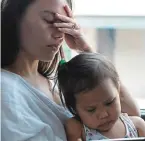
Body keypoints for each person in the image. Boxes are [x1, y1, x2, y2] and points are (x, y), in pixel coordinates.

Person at [1, 0, 140, 140]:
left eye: (64, 23)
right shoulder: (6, 91)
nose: (59, 33)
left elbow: (131, 115)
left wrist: (88, 53)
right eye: (49, 20)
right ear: (16, 20)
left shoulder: (56, 82)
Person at [57, 53, 145, 141]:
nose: (104, 115)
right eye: (91, 109)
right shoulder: (77, 129)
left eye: (109, 102)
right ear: (75, 109)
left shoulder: (137, 126)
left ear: (118, 90)